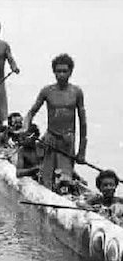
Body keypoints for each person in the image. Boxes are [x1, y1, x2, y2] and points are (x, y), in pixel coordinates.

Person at [24, 53, 86, 193]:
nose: (61, 74)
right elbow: (31, 112)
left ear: (70, 72)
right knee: (47, 178)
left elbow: (83, 123)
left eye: (65, 71)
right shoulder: (47, 91)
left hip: (67, 141)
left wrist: (82, 151)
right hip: (51, 139)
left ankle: (66, 197)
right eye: (58, 71)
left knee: (65, 179)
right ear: (54, 72)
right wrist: (25, 127)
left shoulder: (76, 92)